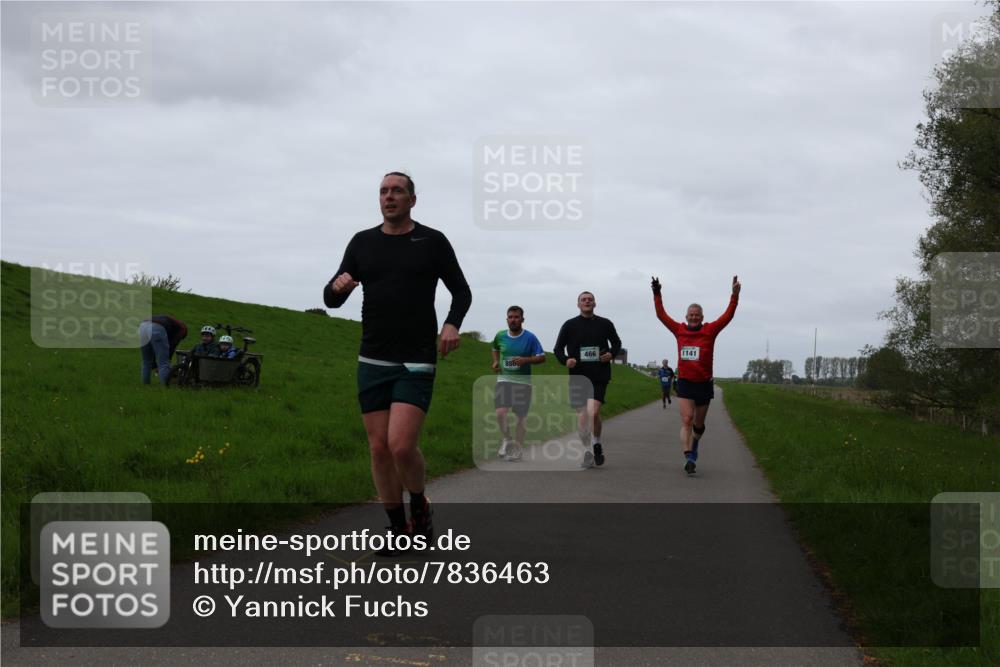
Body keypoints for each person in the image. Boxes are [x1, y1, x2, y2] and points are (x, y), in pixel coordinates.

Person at [323, 171, 472, 554]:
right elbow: (331, 296)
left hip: (417, 358)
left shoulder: (432, 241)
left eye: (397, 191)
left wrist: (452, 324)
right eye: (384, 191)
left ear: (412, 200)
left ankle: (420, 509)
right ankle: (397, 528)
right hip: (373, 356)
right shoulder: (362, 242)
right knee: (378, 449)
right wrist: (336, 289)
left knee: (401, 446)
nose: (389, 197)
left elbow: (462, 291)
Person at [652, 275, 741, 474]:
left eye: (697, 315)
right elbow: (661, 315)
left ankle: (695, 444)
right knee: (686, 419)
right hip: (684, 383)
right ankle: (688, 456)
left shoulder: (710, 330)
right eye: (690, 314)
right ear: (686, 317)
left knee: (698, 425)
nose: (693, 317)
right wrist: (657, 293)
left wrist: (734, 296)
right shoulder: (679, 330)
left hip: (704, 384)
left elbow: (727, 316)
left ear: (702, 317)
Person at [553, 291, 622, 468]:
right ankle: (587, 451)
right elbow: (558, 349)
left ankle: (596, 442)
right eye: (583, 300)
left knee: (594, 412)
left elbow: (616, 343)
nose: (587, 302)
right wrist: (565, 360)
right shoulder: (569, 325)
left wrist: (611, 354)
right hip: (578, 376)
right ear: (578, 304)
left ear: (595, 304)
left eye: (590, 300)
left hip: (599, 374)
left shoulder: (605, 324)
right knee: (583, 418)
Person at [491, 306, 545, 462]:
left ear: (522, 319)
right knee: (500, 413)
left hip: (523, 383)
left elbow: (542, 357)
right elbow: (494, 348)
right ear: (506, 319)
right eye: (510, 317)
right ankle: (507, 439)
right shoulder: (500, 335)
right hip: (504, 380)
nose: (513, 319)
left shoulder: (530, 338)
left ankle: (518, 449)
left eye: (516, 317)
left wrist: (525, 360)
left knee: (520, 417)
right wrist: (495, 361)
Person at [138, 314, 188, 384]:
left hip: (143, 326)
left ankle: (145, 384)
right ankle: (165, 386)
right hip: (157, 327)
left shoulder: (171, 324)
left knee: (146, 361)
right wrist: (168, 359)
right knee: (163, 363)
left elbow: (157, 347)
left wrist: (154, 364)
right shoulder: (182, 329)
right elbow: (173, 344)